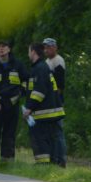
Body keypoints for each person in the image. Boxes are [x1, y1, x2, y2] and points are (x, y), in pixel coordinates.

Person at [0, 39, 29, 169]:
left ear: (9, 49)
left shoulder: (18, 65)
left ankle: (6, 163)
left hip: (13, 104)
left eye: (4, 47)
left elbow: (26, 81)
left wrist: (20, 94)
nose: (1, 49)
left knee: (9, 133)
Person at [23, 42, 65, 164]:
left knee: (40, 138)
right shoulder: (40, 67)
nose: (28, 54)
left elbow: (39, 92)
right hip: (47, 111)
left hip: (44, 113)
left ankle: (43, 164)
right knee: (50, 139)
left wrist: (29, 108)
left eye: (28, 51)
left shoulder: (40, 68)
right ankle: (50, 163)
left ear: (33, 52)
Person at [43, 37, 67, 167]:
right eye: (45, 47)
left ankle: (61, 159)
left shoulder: (58, 61)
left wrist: (54, 99)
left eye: (49, 47)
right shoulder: (47, 61)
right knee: (51, 132)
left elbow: (60, 85)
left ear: (55, 48)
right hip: (49, 102)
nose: (46, 50)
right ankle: (53, 158)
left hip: (56, 102)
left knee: (58, 131)